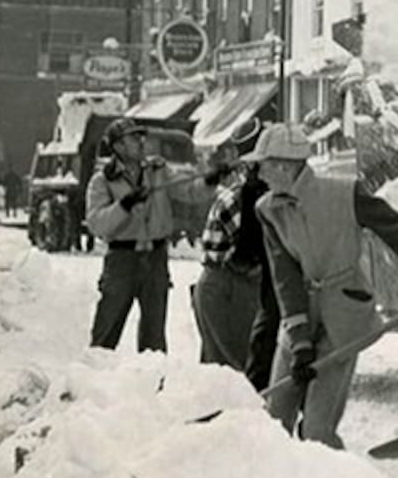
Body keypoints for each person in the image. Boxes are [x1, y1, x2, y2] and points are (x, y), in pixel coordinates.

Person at [250, 122, 398, 448]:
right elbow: (284, 277)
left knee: (317, 431)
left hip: (344, 315)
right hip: (299, 314)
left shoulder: (345, 193)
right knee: (274, 420)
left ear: (285, 165)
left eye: (264, 165)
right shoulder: (267, 210)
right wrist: (299, 342)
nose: (259, 174)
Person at [85, 119, 178, 352]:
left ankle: (152, 383)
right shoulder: (103, 180)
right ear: (118, 146)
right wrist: (123, 206)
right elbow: (97, 223)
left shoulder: (158, 171)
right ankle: (93, 382)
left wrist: (210, 180)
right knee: (106, 331)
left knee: (154, 337)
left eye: (140, 137)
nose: (140, 142)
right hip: (122, 261)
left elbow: (188, 190)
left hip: (155, 258)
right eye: (133, 138)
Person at [193, 134, 271, 374]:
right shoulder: (234, 201)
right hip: (225, 288)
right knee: (226, 368)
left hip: (256, 287)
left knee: (255, 364)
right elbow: (215, 256)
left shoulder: (283, 200)